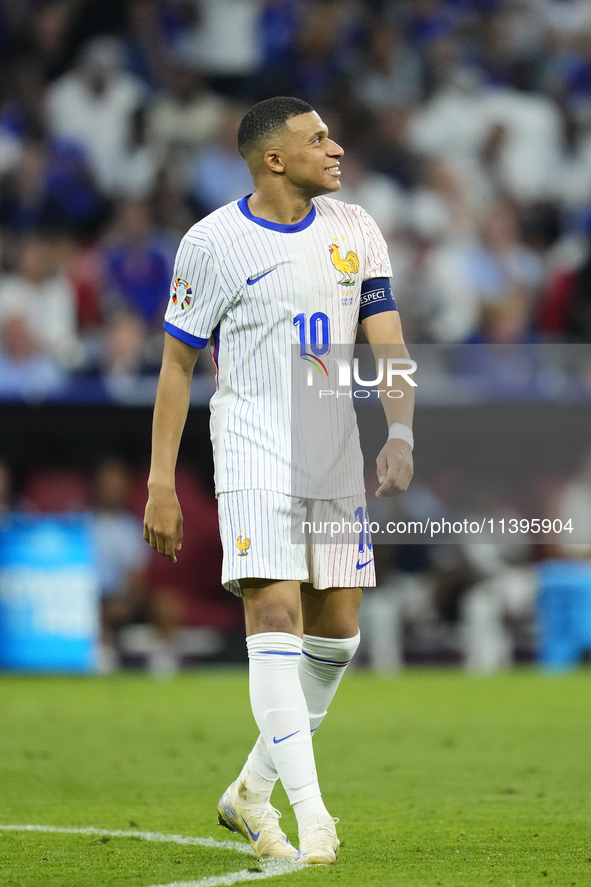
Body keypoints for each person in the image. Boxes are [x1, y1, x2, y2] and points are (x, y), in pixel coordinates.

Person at [143, 96, 414, 866]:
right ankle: (311, 814)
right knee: (274, 613)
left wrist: (398, 430)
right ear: (273, 159)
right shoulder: (213, 241)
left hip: (334, 448)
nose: (334, 148)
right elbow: (176, 361)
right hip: (253, 446)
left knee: (337, 631)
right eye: (316, 138)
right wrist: (161, 480)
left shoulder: (356, 228)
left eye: (330, 135)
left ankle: (249, 790)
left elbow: (386, 339)